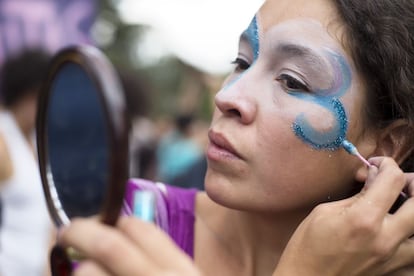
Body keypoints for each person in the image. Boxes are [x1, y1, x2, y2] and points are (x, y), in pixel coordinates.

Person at [58, 0, 414, 275]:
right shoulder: (129, 222)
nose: (227, 96)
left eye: (292, 81)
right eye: (242, 62)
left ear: (387, 145)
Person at [0, 49, 53, 276]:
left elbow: (45, 216)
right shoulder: (3, 138)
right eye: (39, 96)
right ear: (25, 94)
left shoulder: (38, 139)